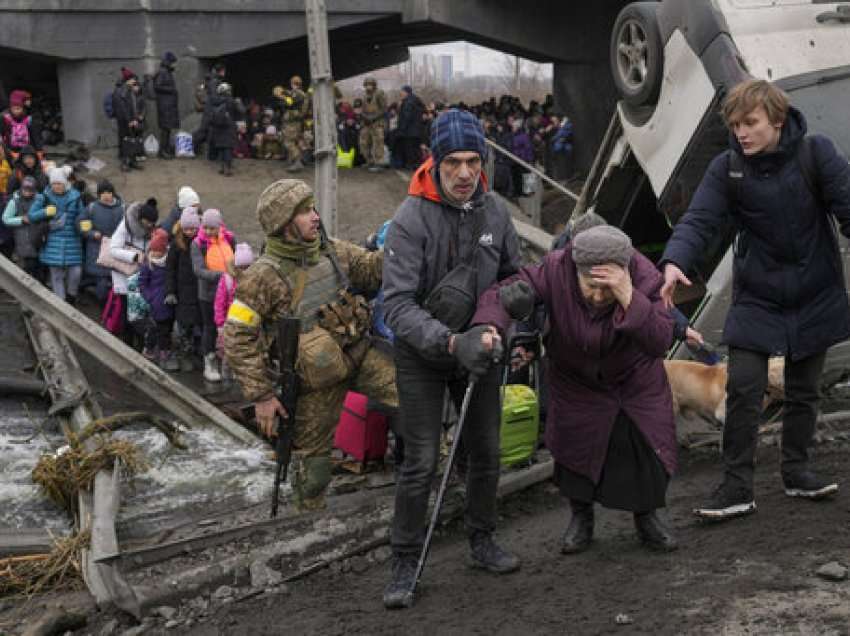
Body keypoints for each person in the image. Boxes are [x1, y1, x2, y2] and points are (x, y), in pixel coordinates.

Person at [659, 79, 850, 520]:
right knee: (744, 386)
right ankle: (736, 487)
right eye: (735, 125)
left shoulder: (816, 153)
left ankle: (798, 472)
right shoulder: (728, 168)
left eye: (750, 123)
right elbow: (700, 219)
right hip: (758, 295)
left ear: (777, 120)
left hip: (814, 289)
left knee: (803, 390)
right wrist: (674, 261)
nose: (741, 133)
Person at [381, 109, 522, 608]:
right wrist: (448, 342)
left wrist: (508, 321)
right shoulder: (409, 219)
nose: (465, 173)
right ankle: (403, 559)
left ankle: (481, 538)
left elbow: (513, 276)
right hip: (423, 354)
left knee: (486, 451)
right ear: (434, 162)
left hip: (480, 349)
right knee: (419, 460)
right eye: (454, 163)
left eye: (473, 161)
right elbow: (395, 306)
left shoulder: (496, 212)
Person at [476, 225, 679, 553]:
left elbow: (660, 340)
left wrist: (629, 296)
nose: (599, 297)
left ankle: (647, 517)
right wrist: (489, 326)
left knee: (644, 448)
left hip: (632, 381)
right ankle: (580, 518)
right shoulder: (556, 268)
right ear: (576, 271)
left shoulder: (643, 275)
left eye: (607, 289)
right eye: (591, 287)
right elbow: (503, 292)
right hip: (575, 379)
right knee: (574, 450)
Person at [223, 179, 396, 512]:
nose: (315, 216)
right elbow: (236, 337)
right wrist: (261, 396)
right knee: (313, 473)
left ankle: (443, 475)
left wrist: (399, 247)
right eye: (304, 212)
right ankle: (308, 526)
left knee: (417, 398)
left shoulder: (332, 250)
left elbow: (370, 269)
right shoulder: (262, 277)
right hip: (315, 383)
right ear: (284, 224)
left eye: (313, 208)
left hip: (360, 354)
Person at [191, 208, 235, 382]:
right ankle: (209, 362)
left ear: (219, 226)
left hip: (230, 292)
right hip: (208, 294)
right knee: (209, 327)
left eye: (212, 228)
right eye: (206, 228)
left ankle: (229, 362)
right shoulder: (197, 244)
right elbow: (198, 270)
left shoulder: (230, 239)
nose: (208, 231)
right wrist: (222, 276)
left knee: (230, 327)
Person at [27, 168, 83, 304]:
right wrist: (45, 212)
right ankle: (61, 303)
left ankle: (71, 297)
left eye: (59, 183)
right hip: (52, 240)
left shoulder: (75, 197)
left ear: (65, 183)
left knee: (76, 272)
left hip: (72, 241)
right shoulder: (44, 197)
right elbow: (31, 216)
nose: (57, 186)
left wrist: (84, 223)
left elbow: (83, 215)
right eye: (54, 184)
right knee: (56, 274)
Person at [110, 198, 159, 345]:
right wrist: (134, 256)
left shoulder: (151, 229)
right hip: (125, 276)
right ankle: (128, 343)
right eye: (148, 222)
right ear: (141, 218)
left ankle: (140, 342)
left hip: (140, 277)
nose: (150, 226)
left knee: (139, 312)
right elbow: (113, 249)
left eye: (152, 223)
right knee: (127, 312)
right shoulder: (125, 226)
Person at [165, 207, 202, 372]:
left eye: (193, 228)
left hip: (199, 289)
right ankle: (184, 354)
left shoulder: (202, 243)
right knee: (185, 325)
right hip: (183, 291)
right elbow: (170, 269)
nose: (190, 232)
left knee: (199, 323)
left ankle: (197, 352)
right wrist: (170, 291)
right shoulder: (177, 245)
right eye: (187, 229)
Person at [77, 179, 124, 304]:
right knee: (101, 279)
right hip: (96, 250)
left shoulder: (122, 209)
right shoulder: (92, 208)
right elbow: (80, 224)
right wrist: (92, 234)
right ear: (99, 195)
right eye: (103, 193)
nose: (106, 195)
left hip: (114, 250)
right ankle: (101, 302)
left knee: (110, 279)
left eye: (109, 192)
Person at [214, 242, 254, 380]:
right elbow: (219, 303)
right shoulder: (228, 280)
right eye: (241, 267)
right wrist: (220, 324)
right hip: (229, 322)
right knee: (228, 349)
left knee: (244, 349)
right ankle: (226, 372)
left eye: (247, 267)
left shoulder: (254, 279)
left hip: (248, 321)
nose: (244, 270)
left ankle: (240, 372)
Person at [139, 228, 178, 370]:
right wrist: (150, 297)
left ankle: (162, 351)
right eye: (153, 250)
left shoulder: (169, 263)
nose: (155, 253)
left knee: (165, 329)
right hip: (155, 303)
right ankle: (156, 351)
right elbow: (142, 284)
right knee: (156, 329)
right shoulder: (148, 265)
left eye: (158, 251)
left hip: (168, 302)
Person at [1, 175, 45, 279]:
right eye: (25, 189)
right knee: (28, 265)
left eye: (31, 190)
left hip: (38, 236)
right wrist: (21, 219)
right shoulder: (14, 202)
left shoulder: (40, 200)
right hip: (22, 237)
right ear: (21, 188)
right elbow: (5, 219)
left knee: (38, 267)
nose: (28, 192)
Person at [113, 69, 146, 172]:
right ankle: (125, 163)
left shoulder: (129, 90)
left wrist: (135, 119)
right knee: (126, 142)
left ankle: (132, 161)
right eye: (133, 79)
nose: (134, 81)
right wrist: (129, 120)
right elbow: (122, 109)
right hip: (124, 122)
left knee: (132, 141)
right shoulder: (121, 91)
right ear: (128, 80)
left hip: (131, 120)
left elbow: (133, 106)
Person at [208, 83, 243, 176]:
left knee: (220, 148)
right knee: (228, 148)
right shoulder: (231, 101)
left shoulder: (214, 100)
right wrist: (239, 102)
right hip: (229, 127)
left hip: (217, 127)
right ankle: (228, 169)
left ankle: (222, 167)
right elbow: (241, 111)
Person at [153, 51, 179, 160]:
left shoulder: (167, 72)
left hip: (168, 105)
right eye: (173, 62)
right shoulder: (163, 72)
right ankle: (162, 151)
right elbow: (157, 86)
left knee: (167, 129)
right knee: (165, 129)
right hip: (164, 106)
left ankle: (166, 149)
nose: (174, 65)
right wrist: (171, 90)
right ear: (168, 62)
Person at [2, 90, 42, 159]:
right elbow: (2, 137)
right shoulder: (5, 118)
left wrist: (39, 150)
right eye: (27, 100)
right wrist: (9, 152)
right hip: (10, 150)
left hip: (26, 149)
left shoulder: (30, 117)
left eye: (18, 108)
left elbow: (35, 134)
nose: (29, 102)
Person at [359, 77, 387, 173]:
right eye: (367, 84)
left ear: (374, 85)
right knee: (364, 142)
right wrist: (363, 117)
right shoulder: (364, 96)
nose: (368, 86)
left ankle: (379, 163)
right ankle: (369, 161)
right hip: (366, 123)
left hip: (377, 122)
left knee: (378, 142)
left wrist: (374, 117)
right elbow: (361, 109)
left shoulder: (379, 93)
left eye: (370, 84)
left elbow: (384, 109)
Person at [282, 76, 308, 173]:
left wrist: (284, 96)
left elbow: (289, 103)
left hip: (293, 122)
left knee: (288, 142)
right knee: (296, 141)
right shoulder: (302, 94)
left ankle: (297, 162)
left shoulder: (297, 94)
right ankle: (296, 161)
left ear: (293, 83)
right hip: (297, 121)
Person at [396, 86, 424, 170]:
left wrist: (401, 129)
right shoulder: (417, 100)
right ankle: (418, 164)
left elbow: (406, 117)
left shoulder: (408, 102)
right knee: (416, 148)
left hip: (409, 130)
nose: (401, 94)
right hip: (417, 130)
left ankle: (412, 165)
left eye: (402, 92)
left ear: (406, 92)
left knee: (410, 148)